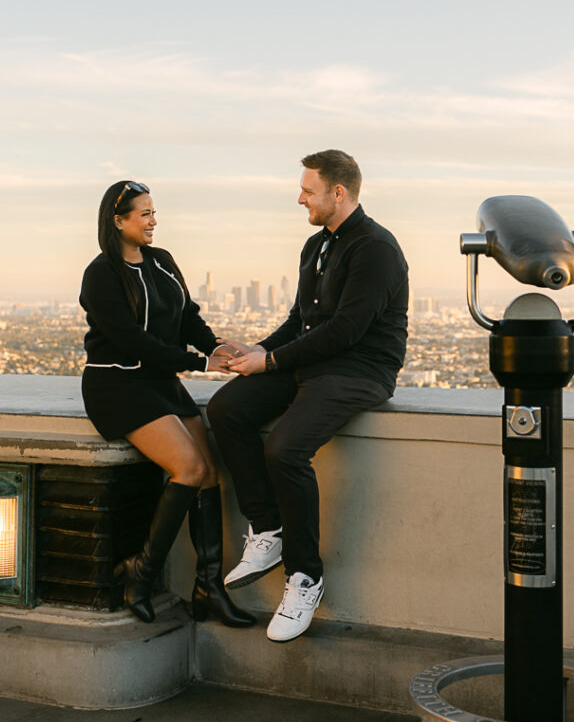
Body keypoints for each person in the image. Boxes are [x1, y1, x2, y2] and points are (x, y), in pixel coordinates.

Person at [207, 150, 408, 642]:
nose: (300, 198)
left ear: (339, 193)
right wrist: (260, 349)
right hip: (316, 364)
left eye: (308, 190)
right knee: (226, 409)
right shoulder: (316, 246)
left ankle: (305, 577)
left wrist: (272, 363)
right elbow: (301, 322)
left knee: (285, 449)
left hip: (360, 370)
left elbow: (346, 330)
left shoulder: (375, 248)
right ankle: (268, 529)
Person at [79, 180, 254, 628]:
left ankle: (208, 588)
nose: (154, 221)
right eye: (144, 214)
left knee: (210, 475)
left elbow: (186, 317)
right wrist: (199, 362)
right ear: (118, 222)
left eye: (155, 212)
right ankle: (140, 570)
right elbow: (132, 341)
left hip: (160, 382)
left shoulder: (162, 262)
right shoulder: (101, 274)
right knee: (190, 469)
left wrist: (217, 346)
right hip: (119, 386)